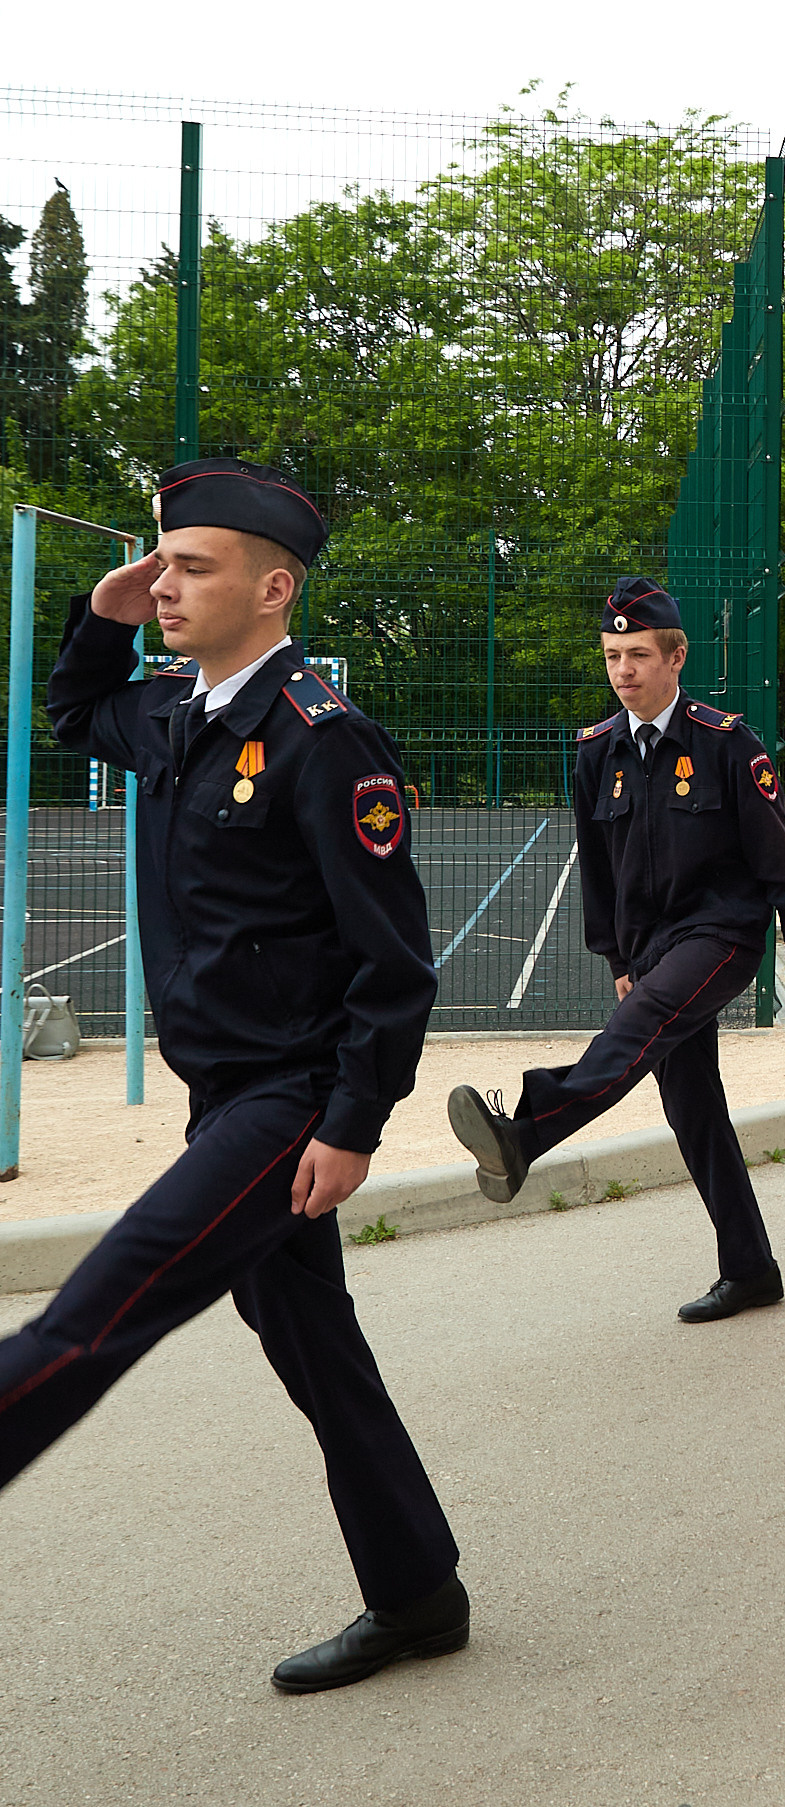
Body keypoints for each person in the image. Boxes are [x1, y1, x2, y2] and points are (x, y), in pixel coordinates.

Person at [0, 458, 467, 1693]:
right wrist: (99, 616)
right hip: (224, 1089)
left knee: (97, 1311)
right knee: (316, 1345)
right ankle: (419, 1592)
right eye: (160, 563)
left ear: (273, 588)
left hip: (287, 1100)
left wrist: (352, 1118)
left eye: (190, 566)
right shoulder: (175, 712)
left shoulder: (324, 738)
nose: (163, 584)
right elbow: (70, 714)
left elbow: (395, 962)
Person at [447, 579, 785, 1324]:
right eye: (613, 655)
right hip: (650, 949)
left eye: (639, 654)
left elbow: (775, 848)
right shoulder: (596, 751)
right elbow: (600, 867)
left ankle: (526, 1128)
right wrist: (618, 959)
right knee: (693, 1109)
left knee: (639, 1029)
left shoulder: (725, 743)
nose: (623, 669)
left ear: (676, 658)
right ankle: (751, 1269)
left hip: (720, 935)